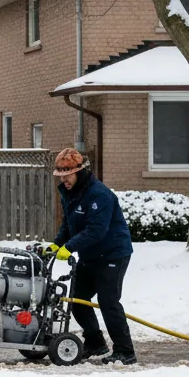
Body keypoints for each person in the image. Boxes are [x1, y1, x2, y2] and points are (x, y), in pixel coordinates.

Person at [50, 148, 136, 365]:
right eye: (60, 176)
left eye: (67, 176)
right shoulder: (69, 193)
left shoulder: (99, 195)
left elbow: (97, 230)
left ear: (80, 171)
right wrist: (56, 244)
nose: (64, 180)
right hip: (90, 255)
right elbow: (69, 225)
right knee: (77, 300)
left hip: (113, 254)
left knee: (108, 301)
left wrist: (69, 247)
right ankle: (95, 342)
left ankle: (125, 351)